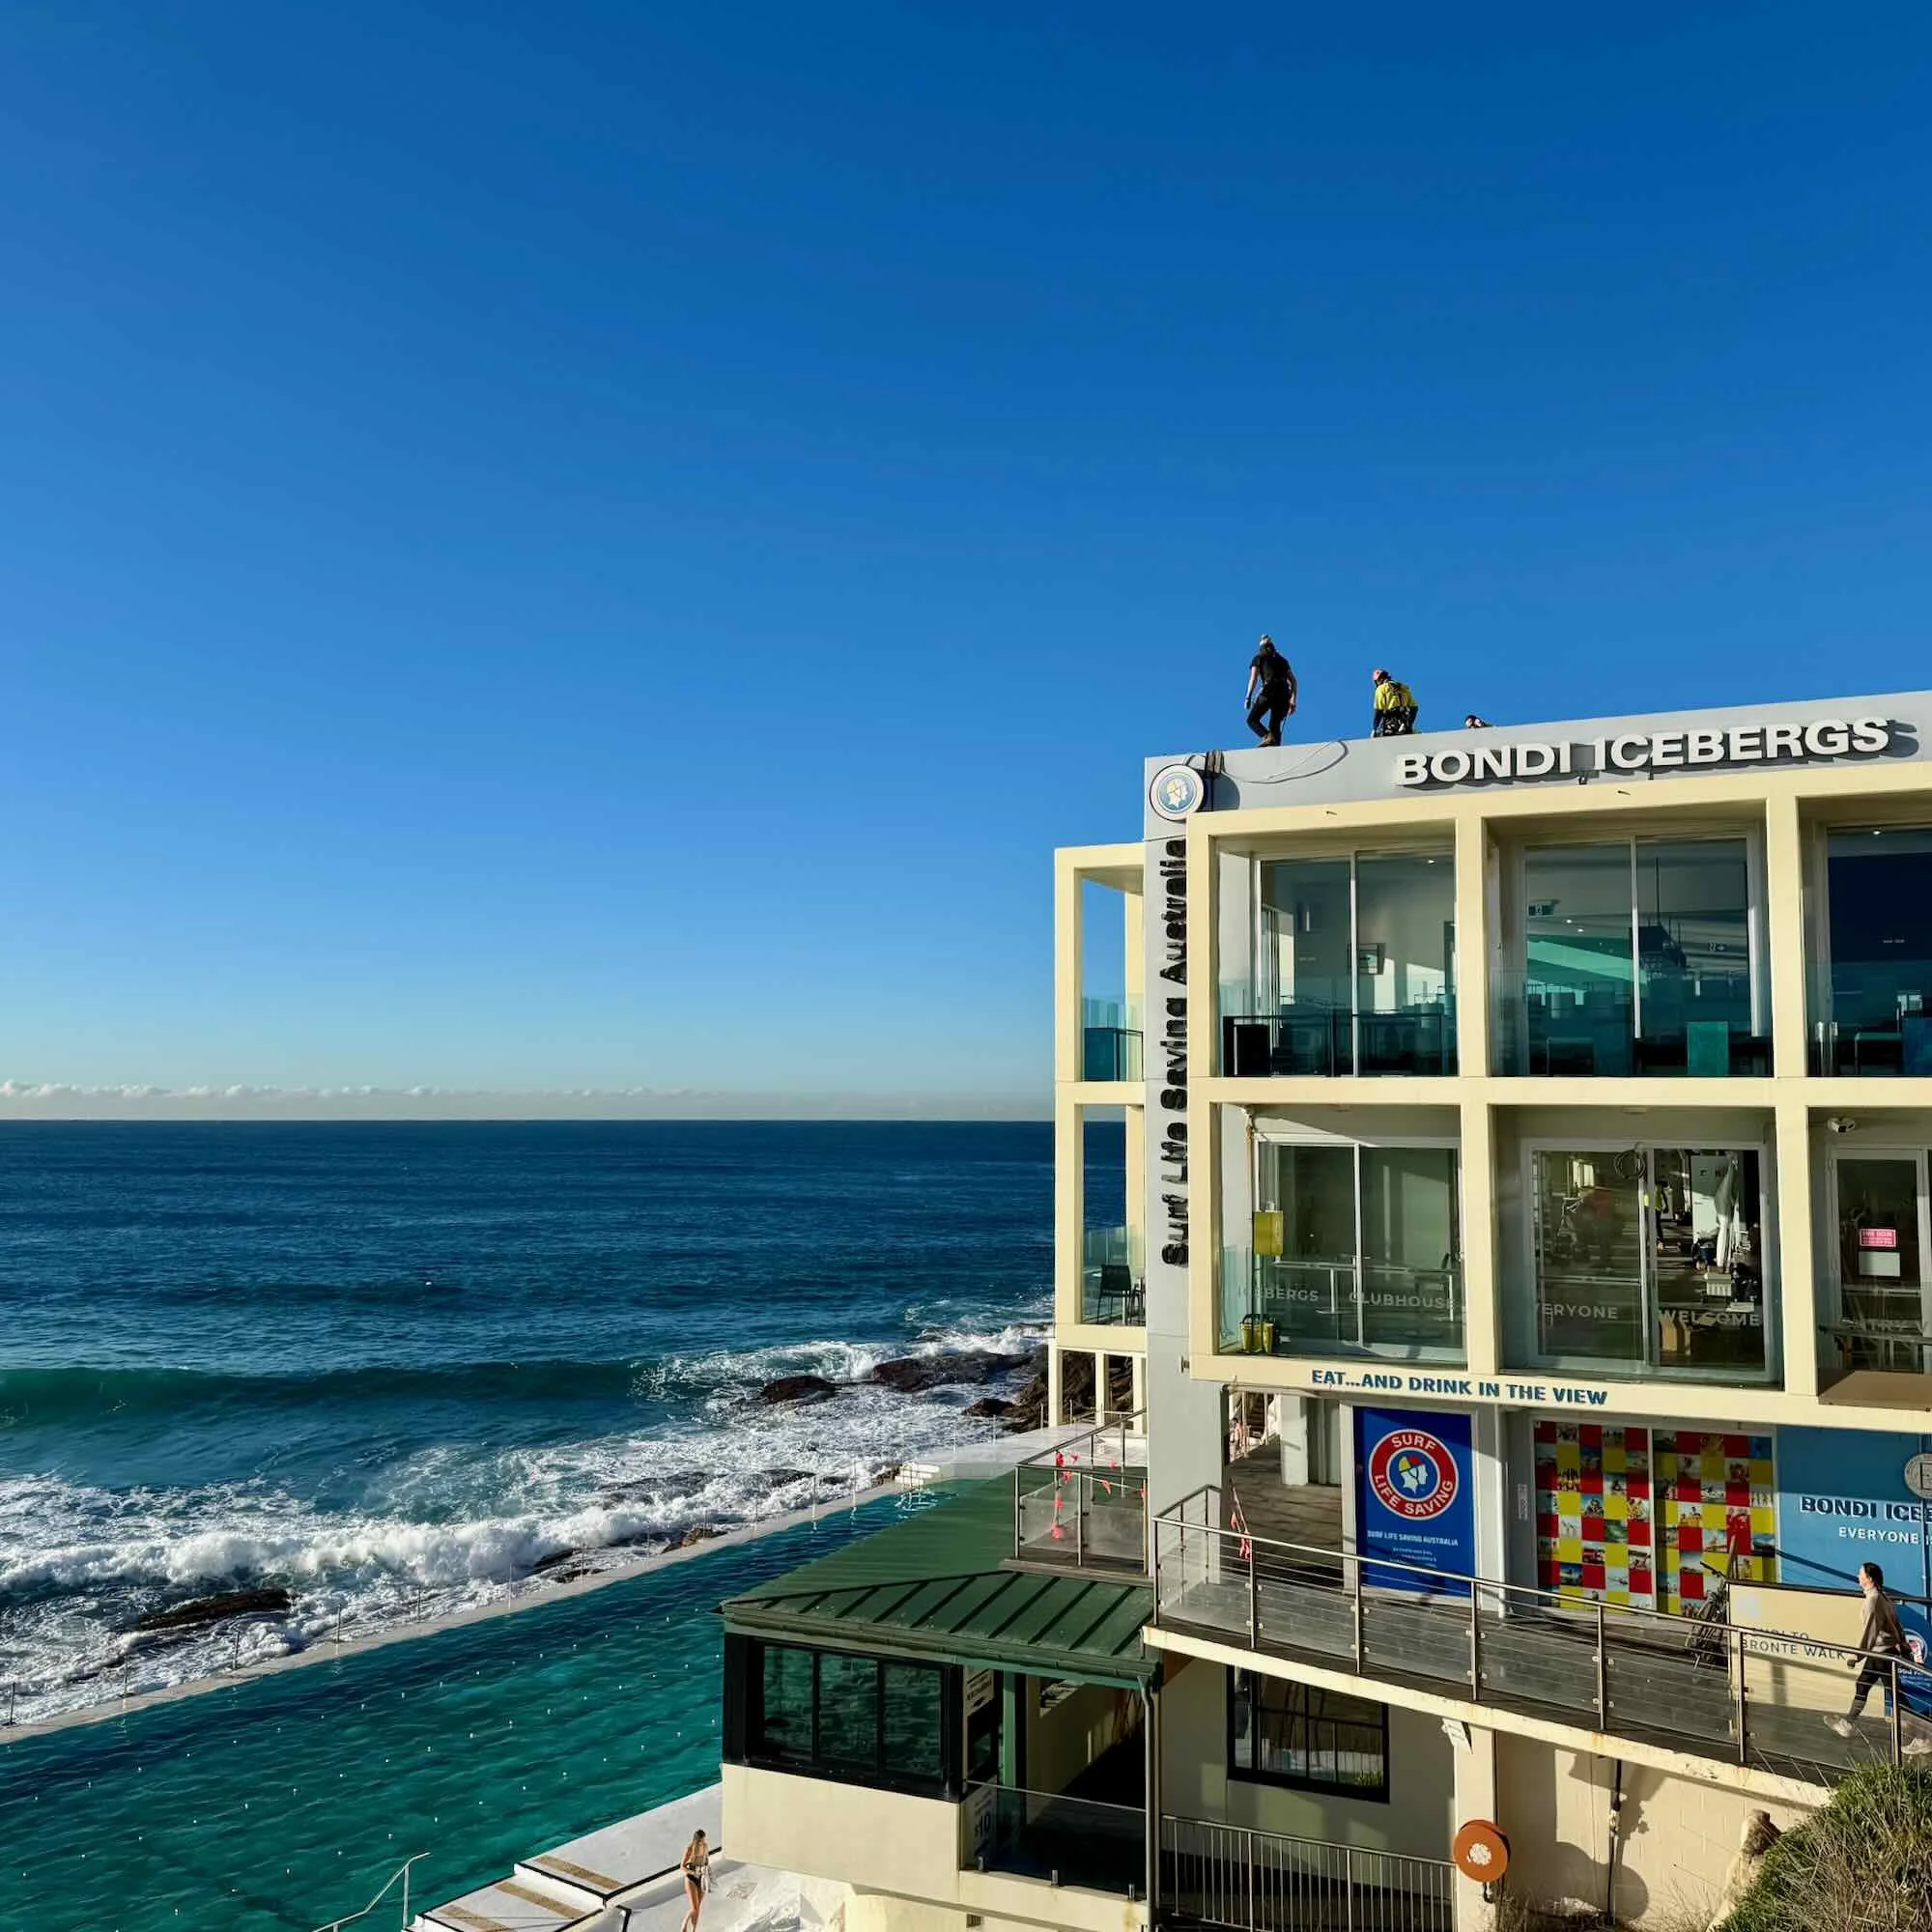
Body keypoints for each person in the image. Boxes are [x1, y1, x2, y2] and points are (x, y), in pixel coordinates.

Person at [1826, 1561, 1922, 1742]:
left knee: (1891, 1693)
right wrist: (1904, 1647)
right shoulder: (1882, 1597)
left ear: (1869, 1578)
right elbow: (1897, 1625)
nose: (1857, 1576)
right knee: (1872, 1687)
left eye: (1860, 1574)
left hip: (1881, 1652)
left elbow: (1870, 1631)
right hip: (1886, 1652)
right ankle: (1849, 1723)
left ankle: (1922, 1735)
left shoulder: (1873, 1600)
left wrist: (1857, 1656)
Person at [1244, 635, 1297, 746]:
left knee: (1252, 720)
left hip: (1269, 691)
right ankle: (1275, 746)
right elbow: (1294, 681)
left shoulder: (1259, 657)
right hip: (1283, 694)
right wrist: (1293, 700)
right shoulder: (1282, 660)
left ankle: (1267, 736)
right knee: (1275, 724)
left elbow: (1253, 678)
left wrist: (1248, 697)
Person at [679, 1828, 711, 1931]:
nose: (702, 1842)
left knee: (698, 1909)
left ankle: (693, 1930)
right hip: (691, 1878)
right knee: (694, 1908)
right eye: (700, 1841)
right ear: (696, 1840)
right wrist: (693, 1872)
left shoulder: (705, 1846)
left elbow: (706, 1861)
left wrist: (706, 1873)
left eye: (703, 1840)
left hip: (702, 1877)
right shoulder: (690, 1849)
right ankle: (684, 1925)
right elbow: (682, 1866)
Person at [1371, 668, 1418, 735]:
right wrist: (1409, 725)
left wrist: (1374, 728)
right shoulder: (1403, 688)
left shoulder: (1381, 688)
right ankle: (1405, 727)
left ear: (1379, 680)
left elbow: (1379, 710)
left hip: (1391, 723)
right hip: (1404, 719)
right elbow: (1414, 708)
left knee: (1388, 742)